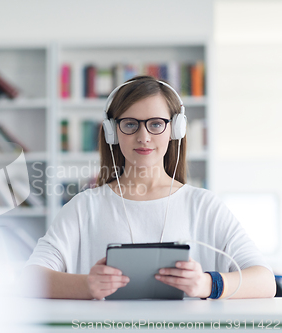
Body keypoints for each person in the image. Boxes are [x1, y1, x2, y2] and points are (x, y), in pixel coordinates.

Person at [18, 76, 276, 300]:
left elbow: (265, 282)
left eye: (155, 124)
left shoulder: (204, 206)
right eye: (130, 124)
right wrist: (86, 285)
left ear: (175, 129)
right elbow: (29, 278)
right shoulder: (84, 207)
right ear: (112, 132)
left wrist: (207, 283)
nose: (143, 136)